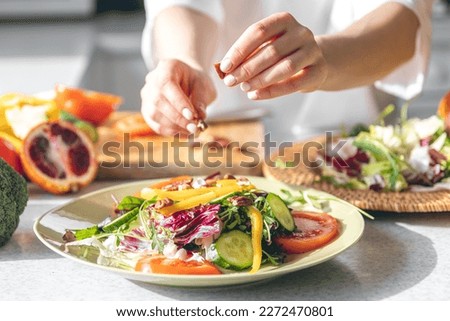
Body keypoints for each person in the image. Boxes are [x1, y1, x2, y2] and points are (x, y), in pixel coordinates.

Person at [140, 0, 434, 143]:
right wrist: (184, 57)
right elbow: (182, 4)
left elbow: (404, 21)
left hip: (351, 145)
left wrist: (324, 60)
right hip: (225, 143)